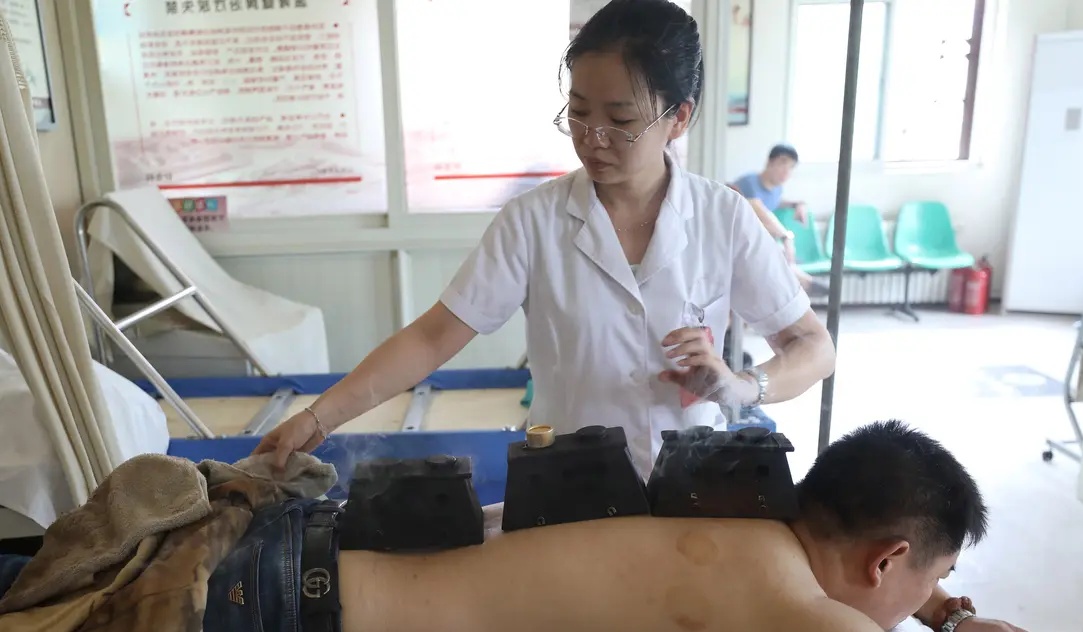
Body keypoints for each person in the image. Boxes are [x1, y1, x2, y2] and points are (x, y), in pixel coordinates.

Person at [0, 421, 1081, 632]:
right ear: (883, 557)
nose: (912, 614)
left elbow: (888, 614)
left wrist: (960, 617)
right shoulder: (805, 619)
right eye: (920, 586)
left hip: (269, 553)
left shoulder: (756, 538)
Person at [254, 0, 837, 476]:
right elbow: (434, 337)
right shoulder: (532, 222)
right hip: (568, 482)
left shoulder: (724, 218)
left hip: (689, 483)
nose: (593, 139)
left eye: (622, 121)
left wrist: (742, 385)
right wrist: (319, 417)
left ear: (679, 118)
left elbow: (813, 346)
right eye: (579, 113)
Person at [729, 144, 824, 295]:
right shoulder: (749, 182)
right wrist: (786, 237)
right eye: (783, 163)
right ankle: (806, 284)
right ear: (769, 163)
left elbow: (775, 202)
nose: (787, 171)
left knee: (777, 259)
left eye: (791, 167)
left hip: (750, 245)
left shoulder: (776, 190)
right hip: (729, 243)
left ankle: (802, 285)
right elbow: (759, 210)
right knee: (777, 253)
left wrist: (798, 204)